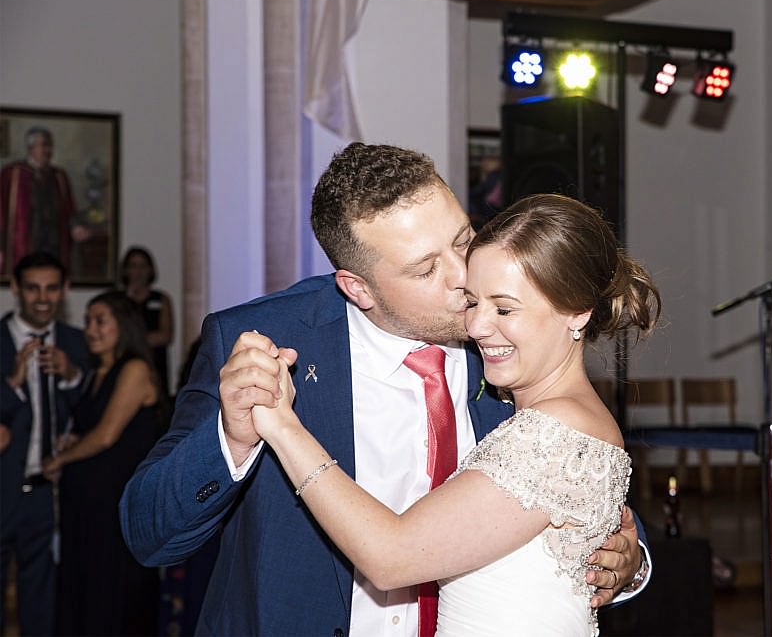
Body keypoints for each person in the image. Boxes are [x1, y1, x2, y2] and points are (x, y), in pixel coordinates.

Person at [120, 143, 650, 636]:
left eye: (463, 241)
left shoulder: (511, 338)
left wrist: (630, 562)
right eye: (425, 269)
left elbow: (575, 477)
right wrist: (231, 439)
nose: (463, 279)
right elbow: (149, 533)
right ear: (357, 287)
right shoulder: (266, 340)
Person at [254, 193, 660, 636]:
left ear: (577, 312)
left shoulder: (558, 433)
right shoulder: (552, 415)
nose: (478, 326)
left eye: (504, 308)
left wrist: (281, 425)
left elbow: (391, 557)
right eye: (473, 301)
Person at [44, 290, 161, 635]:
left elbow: (107, 435)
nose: (90, 329)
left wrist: (57, 459)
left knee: (111, 592)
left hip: (114, 503)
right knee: (83, 590)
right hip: (86, 506)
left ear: (122, 326)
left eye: (100, 321)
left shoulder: (135, 368)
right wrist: (75, 442)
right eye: (87, 322)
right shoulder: (97, 372)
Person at [0, 251, 88, 636]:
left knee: (43, 598)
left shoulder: (77, 342)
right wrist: (12, 384)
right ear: (15, 289)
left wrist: (71, 376)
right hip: (2, 486)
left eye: (51, 289)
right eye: (33, 288)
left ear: (64, 290)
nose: (41, 298)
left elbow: (93, 412)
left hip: (48, 492)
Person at [0, 127, 87, 277]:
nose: (48, 150)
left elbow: (69, 208)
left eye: (50, 146)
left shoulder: (59, 176)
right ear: (31, 148)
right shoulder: (12, 174)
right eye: (44, 145)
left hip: (53, 245)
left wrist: (76, 226)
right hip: (23, 245)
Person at [120, 245, 175, 395]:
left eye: (143, 266)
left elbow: (165, 336)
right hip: (125, 362)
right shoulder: (119, 301)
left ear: (150, 269)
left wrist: (134, 340)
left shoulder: (161, 299)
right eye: (133, 266)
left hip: (155, 363)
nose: (138, 271)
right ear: (126, 270)